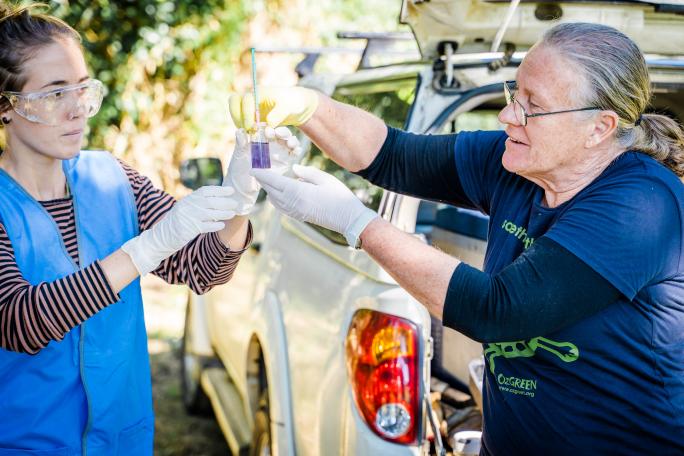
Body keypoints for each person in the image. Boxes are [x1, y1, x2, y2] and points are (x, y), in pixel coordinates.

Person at [230, 23, 684, 454]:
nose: (509, 115)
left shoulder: (643, 203)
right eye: (513, 93)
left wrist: (356, 222)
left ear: (600, 128)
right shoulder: (516, 163)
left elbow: (498, 309)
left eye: (533, 106)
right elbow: (393, 156)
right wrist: (308, 107)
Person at [0, 3, 299, 454]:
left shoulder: (114, 180)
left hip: (122, 441)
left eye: (82, 89)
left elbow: (203, 270)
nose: (78, 109)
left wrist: (241, 198)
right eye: (55, 93)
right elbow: (21, 321)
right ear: (6, 107)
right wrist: (145, 251)